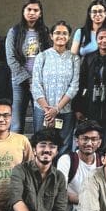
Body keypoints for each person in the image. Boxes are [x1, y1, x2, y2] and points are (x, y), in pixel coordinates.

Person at [31, 21, 80, 155]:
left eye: (64, 33)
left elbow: (74, 86)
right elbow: (35, 84)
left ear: (69, 37)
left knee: (63, 146)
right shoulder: (42, 56)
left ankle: (61, 175)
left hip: (65, 110)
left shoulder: (74, 58)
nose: (61, 36)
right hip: (43, 111)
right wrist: (48, 110)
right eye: (57, 33)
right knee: (42, 145)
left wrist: (57, 109)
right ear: (51, 36)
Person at [74, 26, 106, 145]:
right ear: (96, 40)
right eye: (101, 37)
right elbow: (81, 83)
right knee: (93, 144)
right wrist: (78, 108)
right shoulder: (89, 58)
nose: (104, 40)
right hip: (91, 108)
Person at [6, 0, 51, 133]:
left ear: (40, 13)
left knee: (40, 122)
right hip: (18, 82)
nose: (32, 13)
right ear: (23, 12)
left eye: (35, 10)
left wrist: (36, 80)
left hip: (39, 83)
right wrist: (27, 79)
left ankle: (38, 152)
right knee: (16, 124)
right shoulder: (14, 31)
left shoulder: (44, 31)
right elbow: (11, 58)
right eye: (29, 10)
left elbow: (48, 56)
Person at [56, 121, 103, 211]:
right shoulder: (67, 160)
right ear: (77, 141)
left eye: (94, 139)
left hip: (97, 209)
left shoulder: (103, 162)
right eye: (85, 139)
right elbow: (60, 192)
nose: (89, 143)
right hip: (73, 210)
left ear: (99, 142)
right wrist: (88, 201)